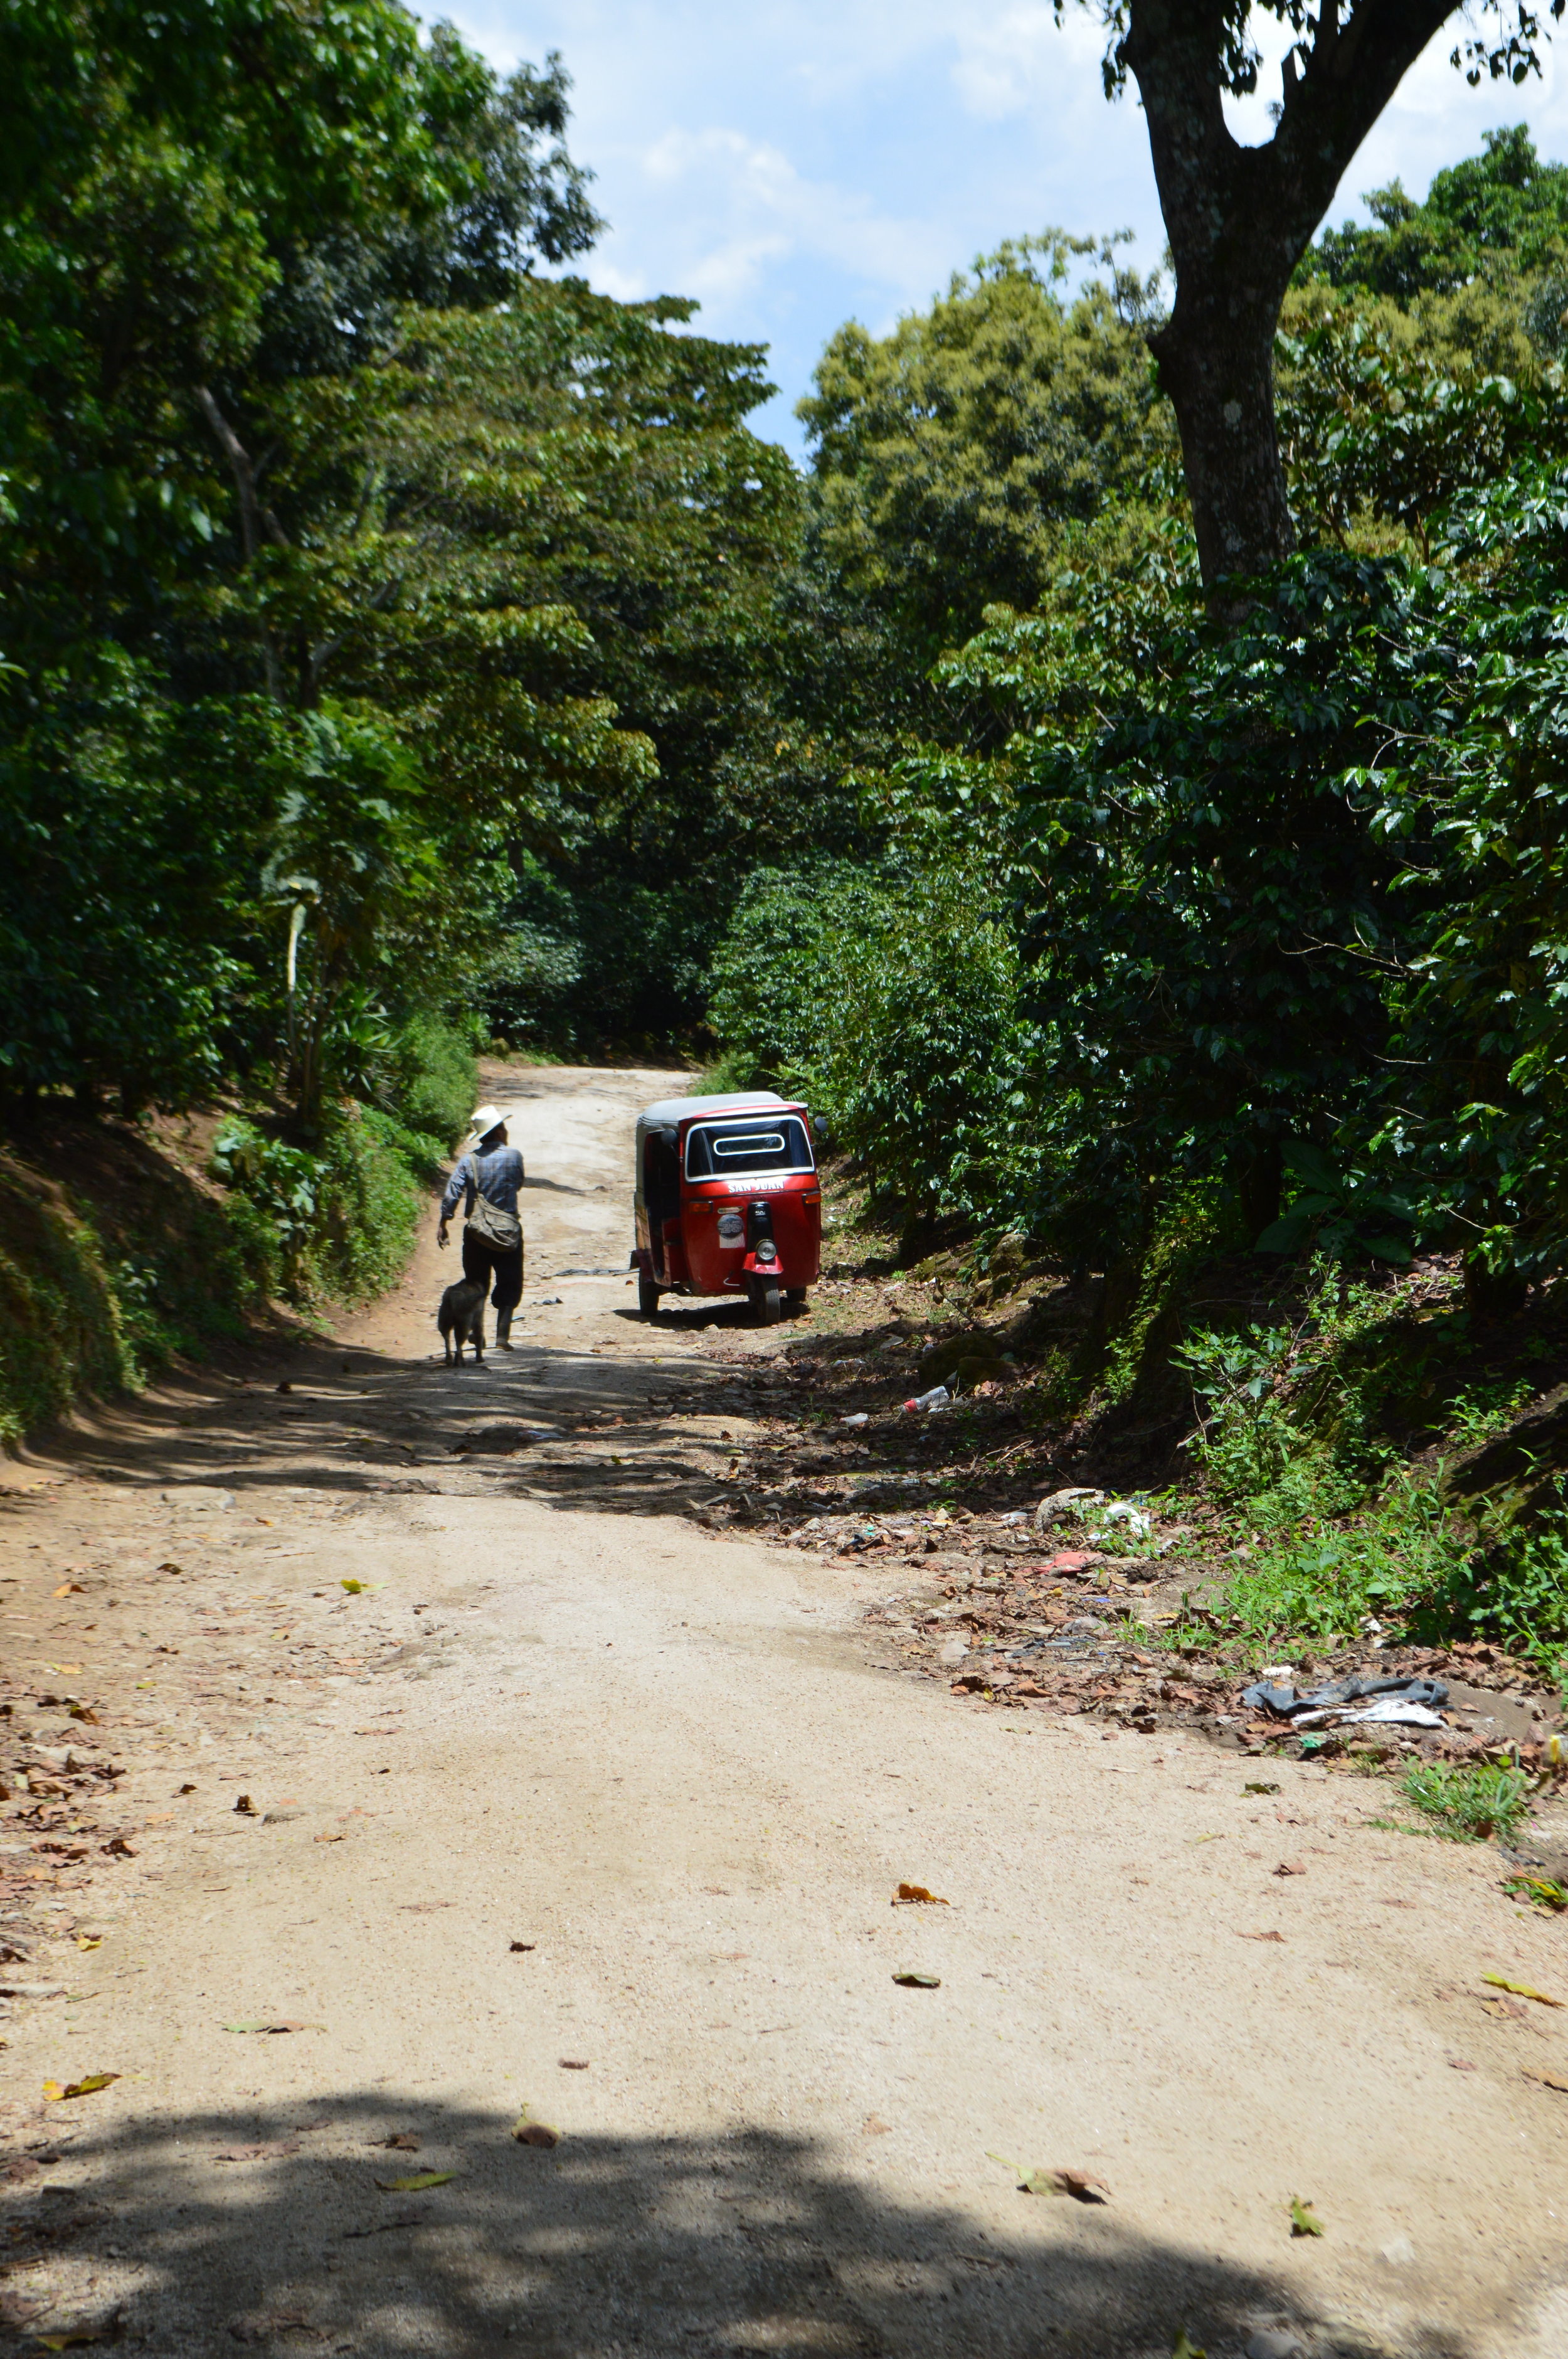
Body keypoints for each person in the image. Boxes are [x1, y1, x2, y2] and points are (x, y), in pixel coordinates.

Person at [438, 1104, 525, 1350]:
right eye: (504, 1128)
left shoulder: (469, 1161)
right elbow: (517, 1183)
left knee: (477, 1282)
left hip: (477, 1233)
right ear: (499, 1132)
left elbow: (453, 1192)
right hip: (508, 1232)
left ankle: (478, 1333)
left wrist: (444, 1223)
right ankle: (502, 1336)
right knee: (510, 1280)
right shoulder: (515, 1156)